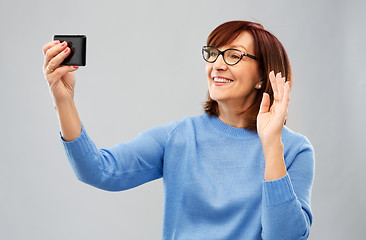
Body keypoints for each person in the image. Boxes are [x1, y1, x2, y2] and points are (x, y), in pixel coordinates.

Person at [42, 20, 315, 240]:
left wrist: (271, 146)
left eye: (234, 55)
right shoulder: (179, 137)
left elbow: (285, 237)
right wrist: (63, 100)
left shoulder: (294, 151)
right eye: (213, 53)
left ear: (262, 76)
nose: (217, 64)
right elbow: (98, 170)